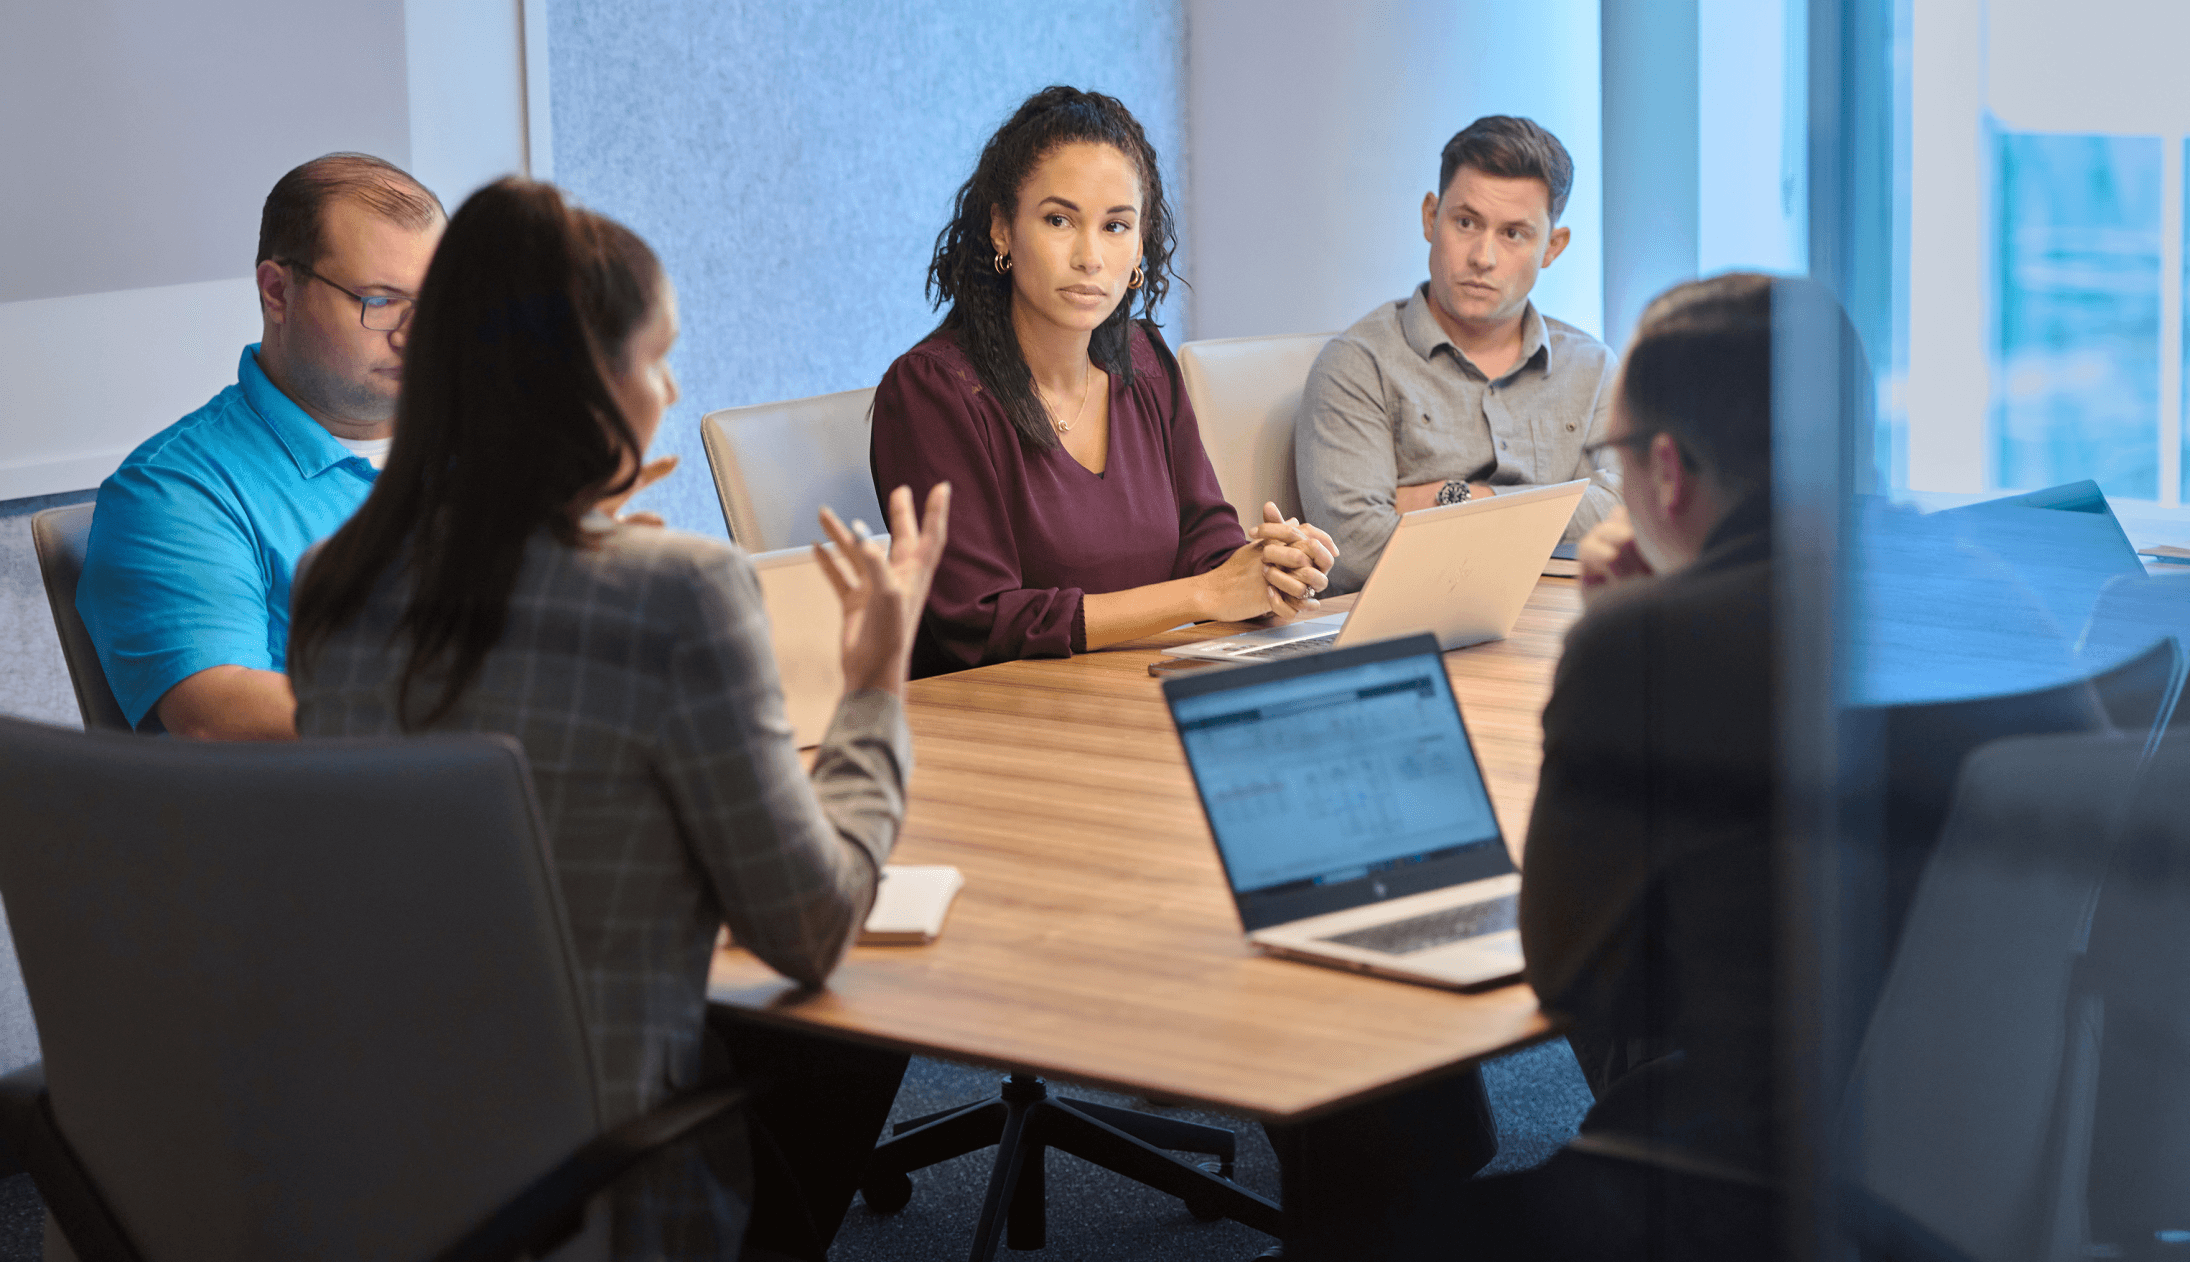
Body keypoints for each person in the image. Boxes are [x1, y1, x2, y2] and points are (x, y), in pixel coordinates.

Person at [287, 178, 949, 1262]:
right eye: (656, 358)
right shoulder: (673, 588)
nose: (672, 387)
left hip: (389, 1162)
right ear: (585, 385)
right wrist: (876, 680)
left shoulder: (333, 582)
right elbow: (810, 926)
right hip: (607, 1186)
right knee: (854, 1020)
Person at [1446, 271, 1794, 1259]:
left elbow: (1570, 973)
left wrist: (1619, 631)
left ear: (1669, 469)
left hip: (1724, 1187)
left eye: (1616, 454)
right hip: (1949, 1144)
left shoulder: (1645, 648)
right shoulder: (1974, 589)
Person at [869, 85, 1336, 677]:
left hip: (1134, 697)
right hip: (996, 725)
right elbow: (979, 622)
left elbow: (1204, 541)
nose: (1090, 256)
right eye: (1059, 220)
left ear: (1140, 247)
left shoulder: (1143, 359)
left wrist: (1266, 568)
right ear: (1002, 230)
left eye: (1116, 226)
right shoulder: (931, 391)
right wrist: (1204, 596)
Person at [77, 152, 445, 738]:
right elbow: (218, 713)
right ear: (278, 291)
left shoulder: (478, 451)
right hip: (337, 819)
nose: (413, 333)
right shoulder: (173, 493)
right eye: (379, 302)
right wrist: (487, 705)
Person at [1295, 115, 1621, 595]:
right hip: (1417, 636)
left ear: (1553, 246)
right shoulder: (1358, 365)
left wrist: (1453, 499)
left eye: (1514, 234)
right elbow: (1354, 550)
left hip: (1560, 628)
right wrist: (1561, 513)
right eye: (1466, 223)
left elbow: (1627, 511)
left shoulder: (1591, 368)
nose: (1483, 257)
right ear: (1431, 216)